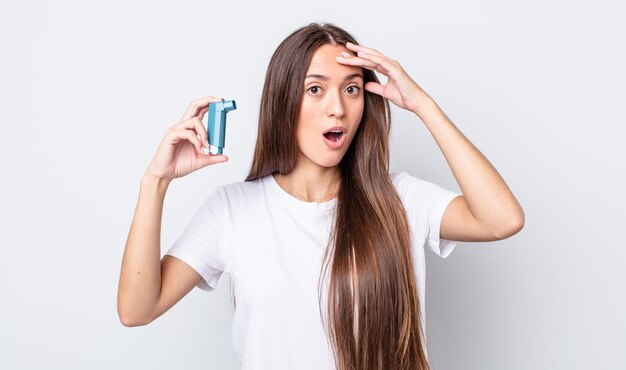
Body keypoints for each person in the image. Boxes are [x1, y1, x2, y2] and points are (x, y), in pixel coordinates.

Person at [117, 23, 524, 370]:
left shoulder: (398, 200)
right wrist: (156, 181)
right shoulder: (232, 210)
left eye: (351, 89)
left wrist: (423, 105)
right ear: (284, 100)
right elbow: (137, 310)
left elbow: (502, 219)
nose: (338, 109)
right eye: (316, 89)